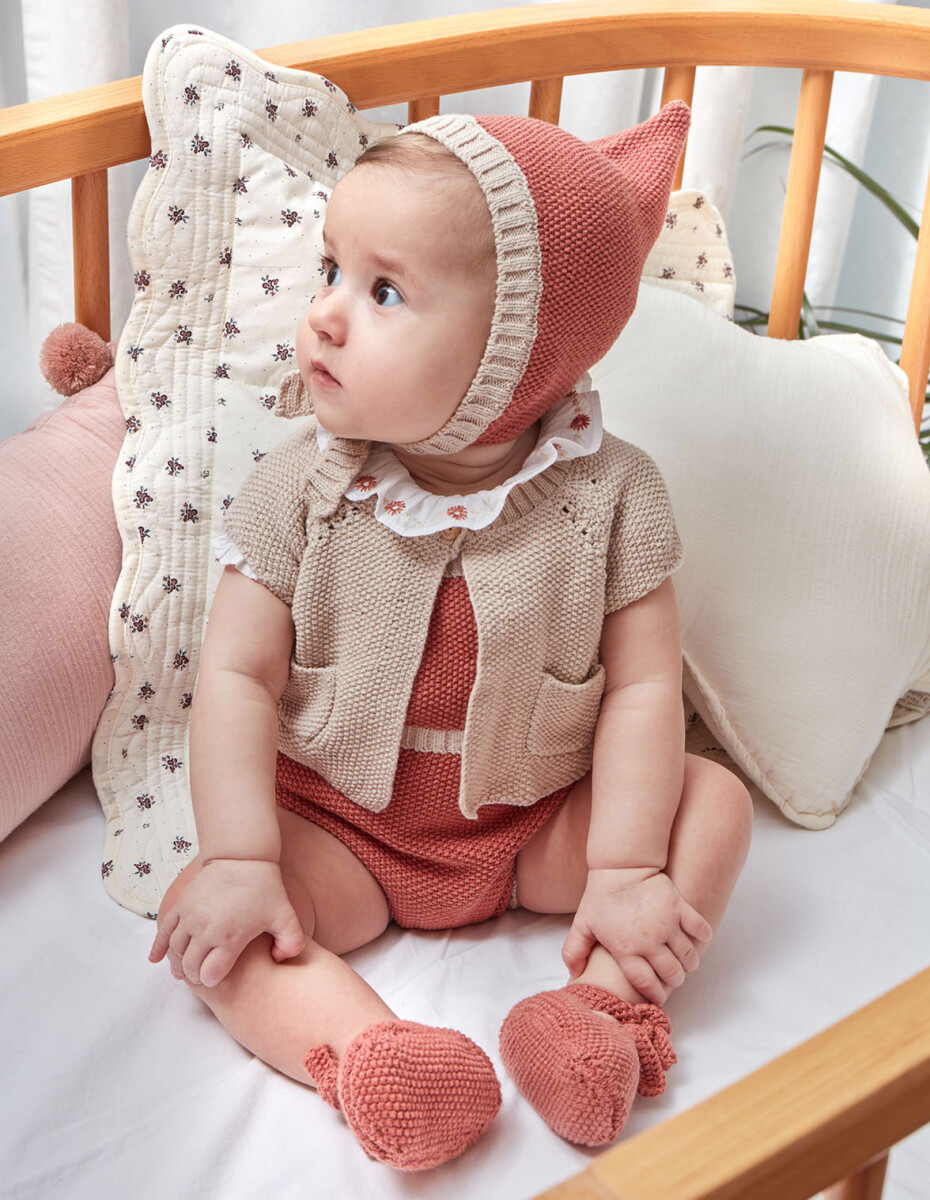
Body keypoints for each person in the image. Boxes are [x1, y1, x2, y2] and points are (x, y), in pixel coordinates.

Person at [149, 104, 753, 1172]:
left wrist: (620, 866)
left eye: (383, 292)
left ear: (519, 353)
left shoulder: (613, 498)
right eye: (331, 270)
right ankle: (375, 1056)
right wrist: (245, 856)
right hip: (344, 837)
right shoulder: (299, 489)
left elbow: (644, 695)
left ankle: (596, 1014)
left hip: (537, 834)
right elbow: (238, 679)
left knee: (712, 806)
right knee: (217, 921)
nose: (326, 316)